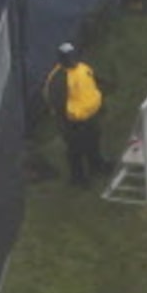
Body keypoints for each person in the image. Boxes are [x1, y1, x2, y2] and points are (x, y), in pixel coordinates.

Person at [47, 41, 106, 185]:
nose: (72, 61)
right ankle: (77, 178)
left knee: (94, 140)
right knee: (75, 149)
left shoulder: (83, 68)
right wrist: (67, 121)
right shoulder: (59, 78)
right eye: (68, 59)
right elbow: (56, 103)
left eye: (73, 57)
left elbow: (91, 84)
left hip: (90, 115)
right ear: (62, 60)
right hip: (73, 122)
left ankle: (96, 166)